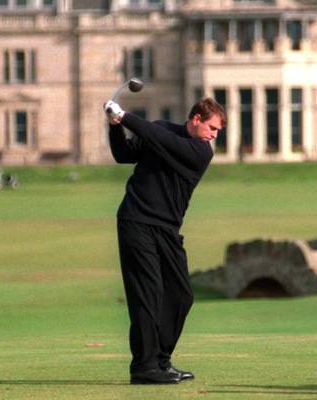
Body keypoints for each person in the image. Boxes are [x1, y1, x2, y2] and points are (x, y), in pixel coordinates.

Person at [104, 97, 226, 385]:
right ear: (195, 119)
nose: (214, 135)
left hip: (168, 229)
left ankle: (160, 360)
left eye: (218, 131)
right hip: (137, 221)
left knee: (181, 294)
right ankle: (144, 367)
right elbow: (124, 154)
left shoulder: (200, 151)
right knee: (147, 295)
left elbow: (161, 140)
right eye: (212, 127)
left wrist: (126, 116)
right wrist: (115, 125)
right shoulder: (160, 129)